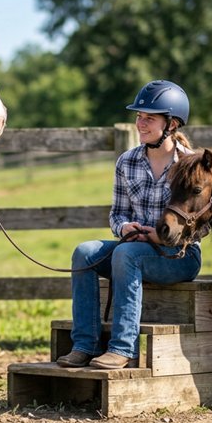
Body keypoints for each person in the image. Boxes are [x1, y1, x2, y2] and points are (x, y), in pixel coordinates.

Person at [56, 79, 202, 369]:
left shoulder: (191, 165)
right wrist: (124, 228)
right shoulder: (127, 162)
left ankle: (124, 348)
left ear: (171, 125)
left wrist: (161, 237)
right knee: (83, 252)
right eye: (138, 116)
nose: (140, 124)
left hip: (180, 256)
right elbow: (117, 215)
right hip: (133, 250)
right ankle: (85, 345)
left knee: (125, 255)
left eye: (149, 118)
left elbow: (204, 225)